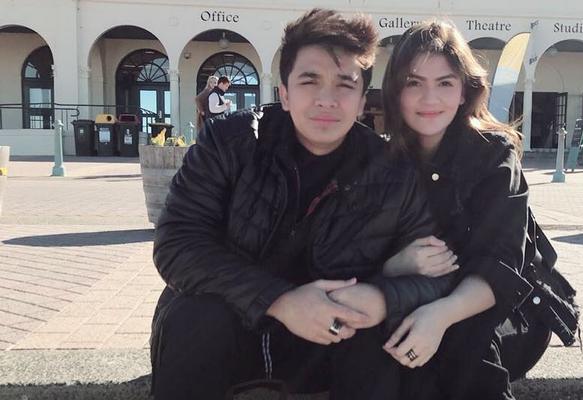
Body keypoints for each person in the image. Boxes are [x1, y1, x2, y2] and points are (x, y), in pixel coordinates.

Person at [150, 9, 453, 400]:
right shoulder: (231, 142)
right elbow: (177, 243)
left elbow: (437, 275)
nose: (327, 99)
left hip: (327, 341)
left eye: (345, 84)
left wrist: (381, 298)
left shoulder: (393, 171)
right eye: (310, 81)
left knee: (374, 331)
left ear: (362, 101)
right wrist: (280, 300)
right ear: (285, 94)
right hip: (230, 325)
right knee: (197, 316)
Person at [379, 20, 537, 399]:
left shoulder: (492, 155)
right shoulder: (382, 160)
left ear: (464, 90)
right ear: (396, 91)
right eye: (414, 83)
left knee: (460, 343)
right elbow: (351, 253)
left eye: (445, 83)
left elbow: (501, 264)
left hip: (495, 314)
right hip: (411, 302)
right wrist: (397, 264)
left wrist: (440, 315)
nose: (429, 99)